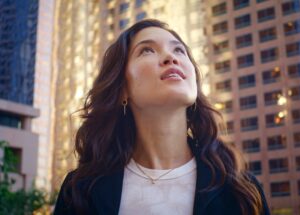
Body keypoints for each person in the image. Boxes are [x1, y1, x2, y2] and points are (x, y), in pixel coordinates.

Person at [54, 19, 270, 215]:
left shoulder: (241, 190)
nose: (171, 57)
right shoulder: (80, 191)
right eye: (147, 50)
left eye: (179, 50)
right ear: (122, 89)